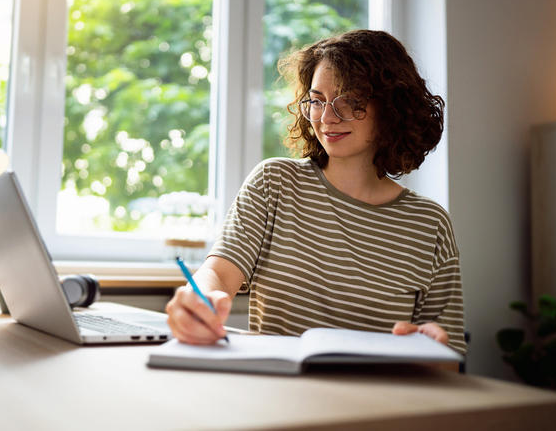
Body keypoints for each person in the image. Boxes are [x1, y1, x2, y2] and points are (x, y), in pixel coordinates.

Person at [165, 29, 466, 355]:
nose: (326, 118)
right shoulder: (274, 183)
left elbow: (448, 358)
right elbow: (219, 274)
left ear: (391, 107)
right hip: (280, 394)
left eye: (349, 101)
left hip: (381, 399)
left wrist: (431, 346)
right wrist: (200, 297)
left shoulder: (430, 224)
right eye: (317, 101)